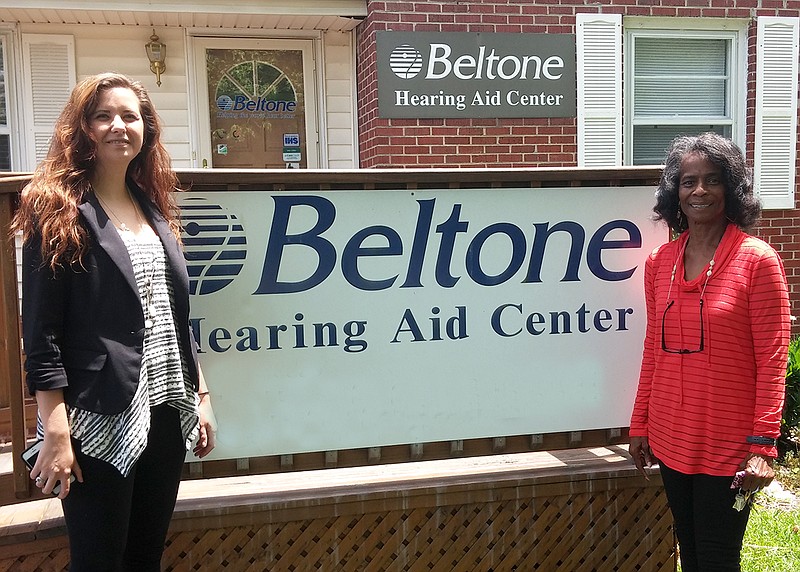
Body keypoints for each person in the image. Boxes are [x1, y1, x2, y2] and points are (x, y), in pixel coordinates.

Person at [12, 72, 217, 571]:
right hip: (96, 414)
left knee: (144, 555)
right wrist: (56, 432)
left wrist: (202, 394)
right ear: (81, 128)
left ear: (145, 128)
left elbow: (174, 313)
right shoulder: (56, 209)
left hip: (166, 405)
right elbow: (41, 335)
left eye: (129, 116)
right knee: (99, 560)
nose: (117, 126)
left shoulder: (154, 206)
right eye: (102, 116)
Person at [629, 132, 790, 571]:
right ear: (674, 192)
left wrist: (762, 445)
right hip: (671, 433)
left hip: (729, 442)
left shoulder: (757, 261)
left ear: (732, 189)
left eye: (712, 180)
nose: (699, 191)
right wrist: (640, 421)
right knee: (691, 551)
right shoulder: (659, 263)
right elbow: (652, 349)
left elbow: (773, 358)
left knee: (718, 558)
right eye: (687, 182)